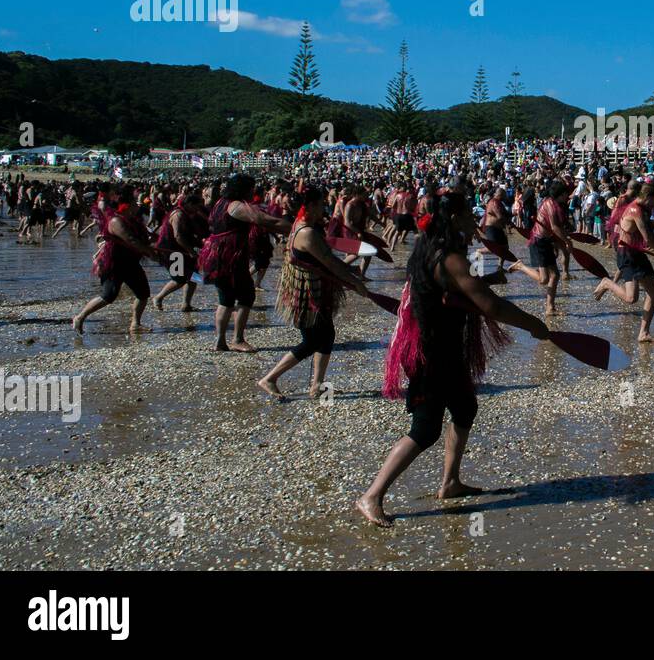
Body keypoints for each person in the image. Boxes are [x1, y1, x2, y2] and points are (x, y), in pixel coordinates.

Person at [356, 188, 551, 527]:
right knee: (425, 428)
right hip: (430, 351)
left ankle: (450, 482)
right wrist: (534, 325)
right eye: (467, 213)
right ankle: (371, 495)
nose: (473, 219)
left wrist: (486, 277)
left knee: (465, 408)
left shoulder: (430, 246)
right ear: (455, 217)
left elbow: (453, 289)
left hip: (444, 345)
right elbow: (490, 305)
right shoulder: (449, 256)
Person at [258, 187, 371, 398]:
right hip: (307, 296)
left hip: (313, 293)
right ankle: (270, 378)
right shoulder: (307, 233)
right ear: (309, 206)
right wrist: (356, 283)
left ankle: (318, 385)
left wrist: (350, 268)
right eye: (320, 204)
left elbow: (327, 261)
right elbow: (331, 263)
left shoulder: (300, 226)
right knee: (311, 341)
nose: (323, 208)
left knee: (327, 335)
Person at [198, 174, 292, 352]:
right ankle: (238, 339)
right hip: (230, 257)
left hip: (216, 255)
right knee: (246, 296)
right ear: (244, 189)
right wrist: (296, 229)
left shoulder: (219, 203)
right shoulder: (236, 205)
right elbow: (263, 220)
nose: (253, 191)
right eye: (251, 188)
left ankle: (220, 342)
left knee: (225, 299)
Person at [72, 187, 163, 335]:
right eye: (134, 202)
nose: (136, 205)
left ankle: (135, 324)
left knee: (143, 293)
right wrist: (150, 253)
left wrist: (159, 242)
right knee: (109, 296)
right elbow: (131, 240)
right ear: (125, 205)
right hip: (114, 263)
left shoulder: (132, 219)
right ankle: (80, 317)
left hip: (131, 262)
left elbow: (146, 236)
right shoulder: (116, 221)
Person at [593, 181, 654, 343]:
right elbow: (648, 239)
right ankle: (607, 283)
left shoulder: (641, 209)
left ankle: (643, 333)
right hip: (627, 254)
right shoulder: (635, 210)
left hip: (636, 253)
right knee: (631, 299)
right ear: (647, 197)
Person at [507, 179, 571, 315]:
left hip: (545, 241)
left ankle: (550, 308)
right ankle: (520, 266)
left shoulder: (553, 202)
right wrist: (567, 242)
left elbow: (553, 228)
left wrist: (557, 242)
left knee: (555, 275)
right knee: (544, 279)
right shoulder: (550, 204)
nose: (568, 196)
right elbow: (555, 227)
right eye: (566, 194)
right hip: (539, 241)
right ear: (560, 194)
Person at [152, 193, 204, 312]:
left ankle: (186, 304)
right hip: (171, 251)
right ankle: (158, 298)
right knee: (179, 279)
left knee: (193, 277)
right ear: (190, 204)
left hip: (182, 250)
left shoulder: (186, 213)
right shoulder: (178, 215)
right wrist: (191, 251)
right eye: (196, 207)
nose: (197, 210)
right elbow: (178, 236)